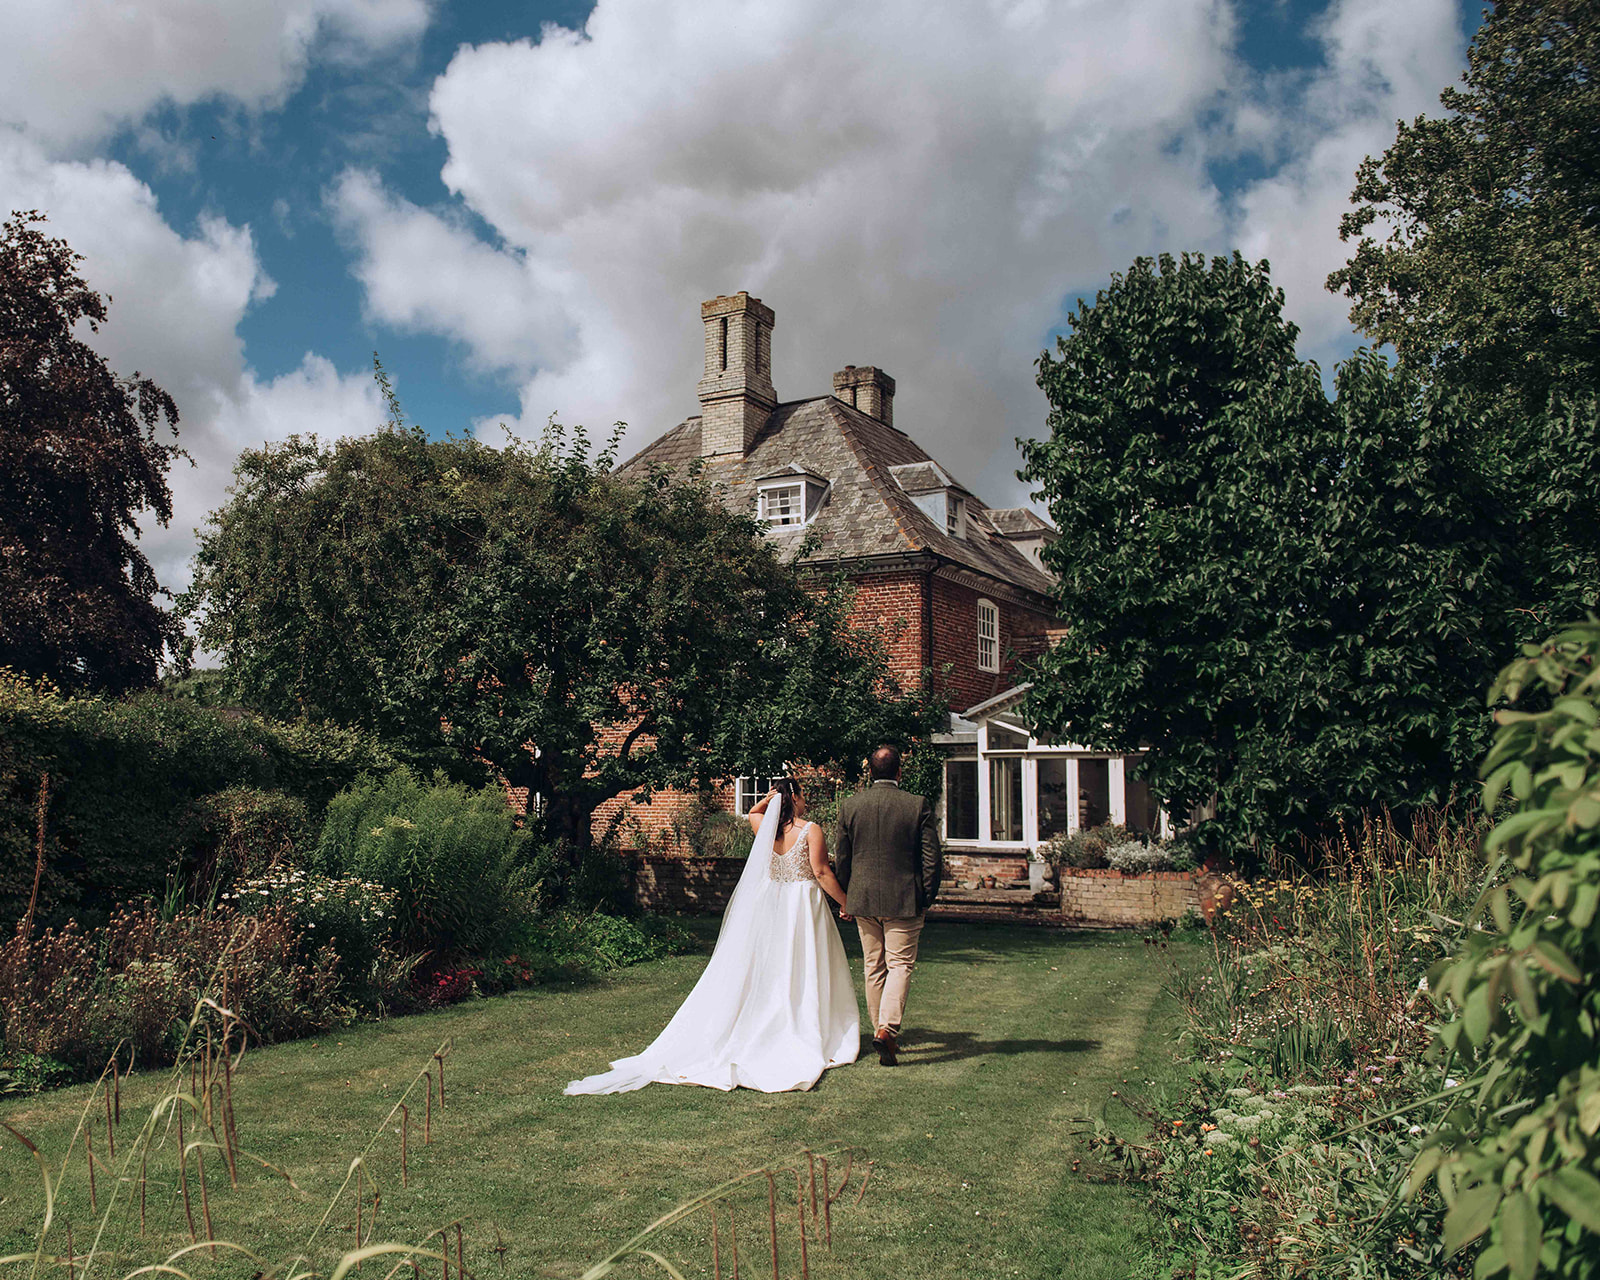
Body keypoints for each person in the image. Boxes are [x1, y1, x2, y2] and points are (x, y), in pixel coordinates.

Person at [564, 777, 859, 1094]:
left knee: (774, 966)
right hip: (803, 905)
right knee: (805, 964)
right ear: (797, 797)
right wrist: (847, 903)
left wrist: (767, 800)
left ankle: (775, 1019)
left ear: (776, 801)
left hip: (774, 905)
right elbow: (821, 871)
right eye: (802, 797)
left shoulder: (766, 829)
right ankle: (802, 1023)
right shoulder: (809, 829)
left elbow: (752, 814)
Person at [834, 744, 941, 1066]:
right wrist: (925, 896)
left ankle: (882, 1032)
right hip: (903, 898)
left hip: (863, 897)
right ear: (898, 772)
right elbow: (931, 858)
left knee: (874, 966)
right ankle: (886, 1031)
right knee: (900, 965)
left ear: (870, 772)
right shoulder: (916, 804)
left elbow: (843, 859)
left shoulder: (850, 806)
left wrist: (847, 896)